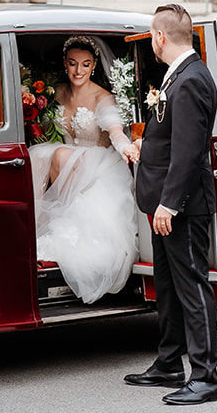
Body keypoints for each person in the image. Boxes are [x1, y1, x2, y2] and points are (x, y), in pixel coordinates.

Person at [125, 3, 217, 405]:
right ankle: (169, 363)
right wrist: (146, 144)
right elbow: (170, 138)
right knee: (166, 286)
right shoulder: (178, 75)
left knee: (193, 286)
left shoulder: (192, 80)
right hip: (165, 202)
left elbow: (188, 152)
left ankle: (206, 377)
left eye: (152, 35)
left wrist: (169, 205)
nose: (151, 41)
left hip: (181, 206)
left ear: (160, 37)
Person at [28, 36, 139, 305]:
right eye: (73, 64)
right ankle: (33, 226)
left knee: (59, 153)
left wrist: (127, 147)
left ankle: (57, 222)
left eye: (85, 64)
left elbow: (114, 129)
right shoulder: (57, 92)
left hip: (98, 167)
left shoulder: (103, 97)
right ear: (65, 65)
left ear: (94, 65)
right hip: (62, 164)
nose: (79, 71)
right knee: (42, 155)